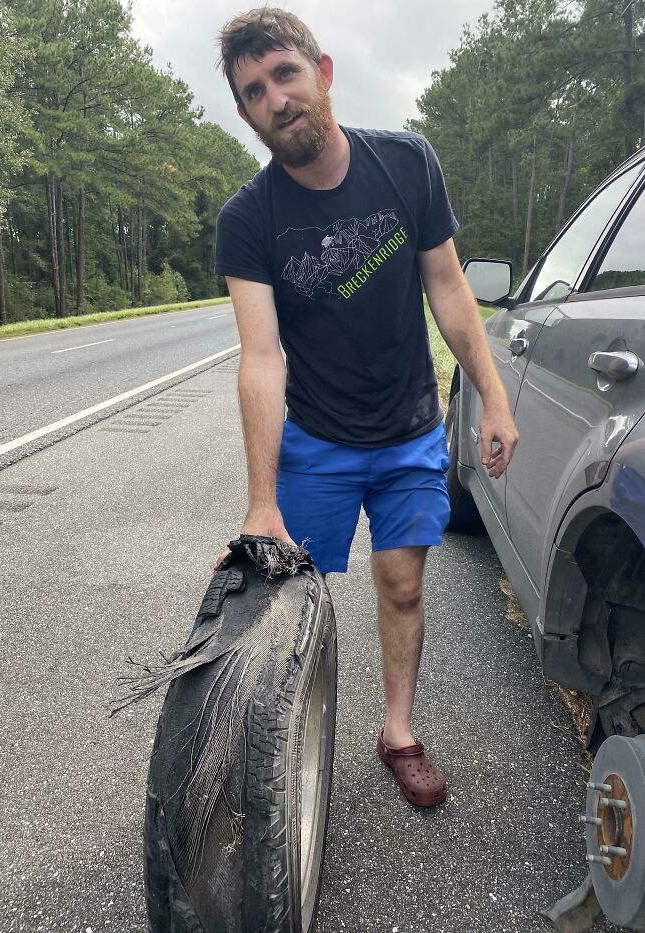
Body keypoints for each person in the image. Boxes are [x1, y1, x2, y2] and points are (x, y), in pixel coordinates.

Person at [213, 8, 518, 808]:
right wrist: (258, 503)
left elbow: (449, 289)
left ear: (323, 73)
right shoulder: (249, 220)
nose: (276, 97)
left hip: (410, 427)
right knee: (286, 589)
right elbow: (261, 356)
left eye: (285, 73)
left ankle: (397, 732)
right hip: (315, 436)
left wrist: (491, 395)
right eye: (255, 90)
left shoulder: (407, 163)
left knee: (403, 584)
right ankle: (281, 743)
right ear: (246, 116)